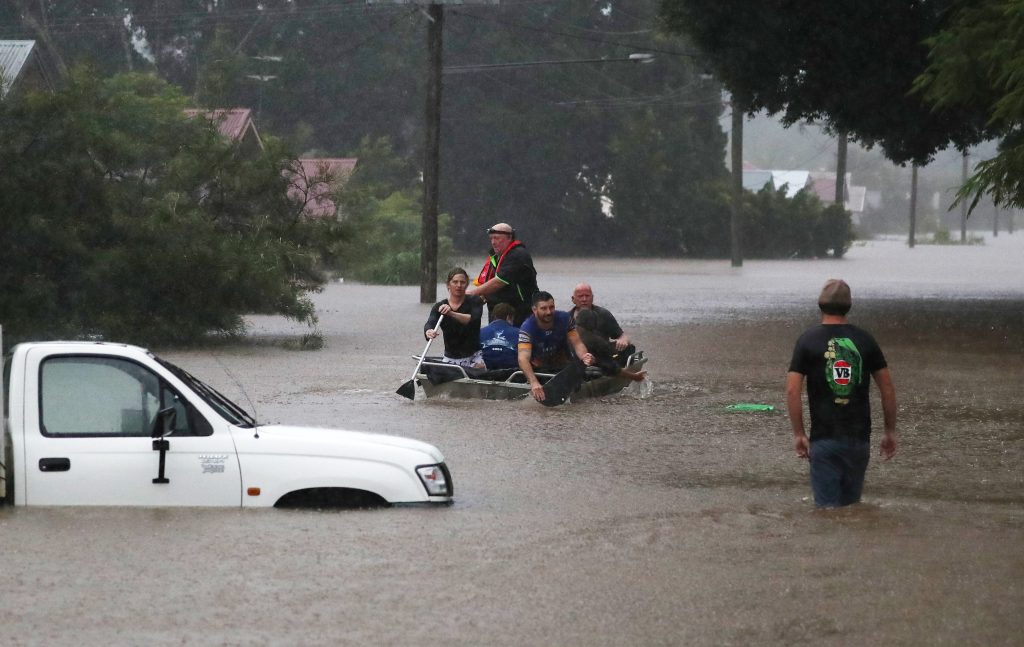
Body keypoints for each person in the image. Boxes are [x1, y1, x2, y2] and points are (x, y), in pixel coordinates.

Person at [786, 279, 898, 508]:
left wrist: (799, 433)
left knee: (827, 512)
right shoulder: (866, 340)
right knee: (851, 508)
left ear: (820, 304)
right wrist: (889, 431)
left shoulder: (807, 341)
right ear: (849, 305)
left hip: (824, 440)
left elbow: (792, 390)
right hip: (858, 441)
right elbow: (887, 388)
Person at [517, 291, 594, 403]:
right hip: (538, 367)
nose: (549, 312)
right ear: (534, 310)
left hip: (560, 362)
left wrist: (585, 357)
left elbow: (577, 343)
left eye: (551, 307)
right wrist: (533, 383)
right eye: (543, 308)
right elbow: (523, 358)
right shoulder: (527, 328)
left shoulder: (565, 318)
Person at [466, 222, 538, 326]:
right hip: (496, 312)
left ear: (509, 238)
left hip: (518, 313)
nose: (493, 242)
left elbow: (498, 282)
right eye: (491, 239)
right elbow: (488, 283)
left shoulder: (518, 254)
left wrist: (471, 293)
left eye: (497, 238)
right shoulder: (495, 256)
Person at [424, 267, 485, 368]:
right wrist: (428, 331)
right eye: (455, 282)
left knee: (480, 367)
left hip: (474, 357)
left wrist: (451, 313)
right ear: (448, 285)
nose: (459, 285)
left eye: (462, 282)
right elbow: (430, 323)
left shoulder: (475, 301)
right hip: (451, 358)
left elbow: (473, 320)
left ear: (467, 285)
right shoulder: (439, 306)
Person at [568, 282, 635, 365]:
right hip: (576, 357)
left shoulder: (604, 314)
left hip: (601, 354)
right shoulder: (567, 318)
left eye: (587, 296)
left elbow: (622, 336)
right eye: (580, 296)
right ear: (573, 299)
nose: (584, 299)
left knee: (629, 348)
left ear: (592, 298)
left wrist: (623, 341)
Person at [574, 309, 646, 382]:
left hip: (573, 371)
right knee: (629, 349)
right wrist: (635, 377)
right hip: (591, 370)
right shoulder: (595, 341)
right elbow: (612, 368)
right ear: (594, 324)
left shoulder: (568, 334)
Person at [479, 302, 520, 370]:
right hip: (512, 374)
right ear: (508, 317)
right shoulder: (520, 333)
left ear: (494, 316)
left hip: (484, 374)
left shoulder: (479, 332)